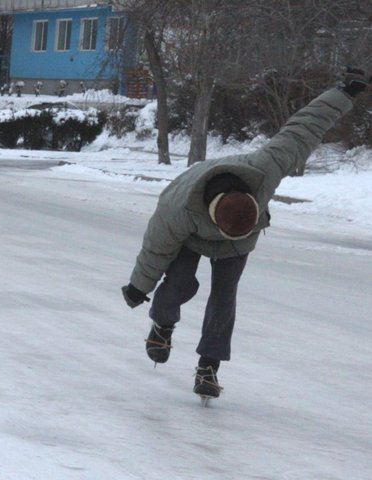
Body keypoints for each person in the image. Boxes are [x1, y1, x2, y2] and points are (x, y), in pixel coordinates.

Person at [121, 68, 371, 400]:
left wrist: (344, 93)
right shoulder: (178, 208)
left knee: (224, 298)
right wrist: (139, 287)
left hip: (239, 238)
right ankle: (162, 325)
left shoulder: (264, 168)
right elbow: (155, 250)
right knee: (179, 282)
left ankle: (208, 366)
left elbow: (303, 128)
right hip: (191, 236)